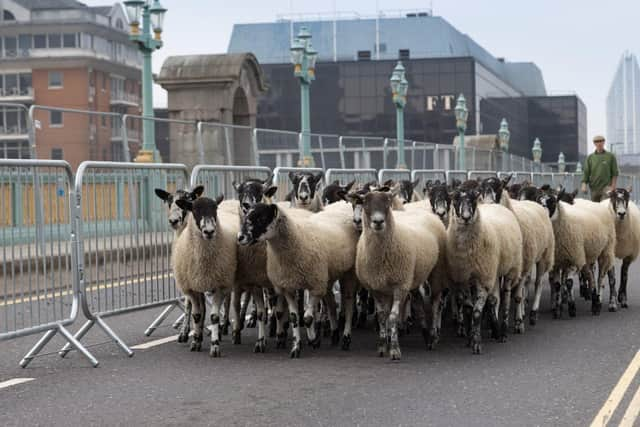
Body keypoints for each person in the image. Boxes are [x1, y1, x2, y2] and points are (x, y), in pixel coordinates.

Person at [581, 135, 618, 202]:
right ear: (594, 143)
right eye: (596, 141)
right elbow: (586, 173)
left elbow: (615, 173)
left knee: (605, 206)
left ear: (604, 142)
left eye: (601, 141)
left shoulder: (610, 156)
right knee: (595, 208)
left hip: (607, 187)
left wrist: (613, 187)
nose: (599, 143)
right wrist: (584, 185)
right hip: (594, 187)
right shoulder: (590, 157)